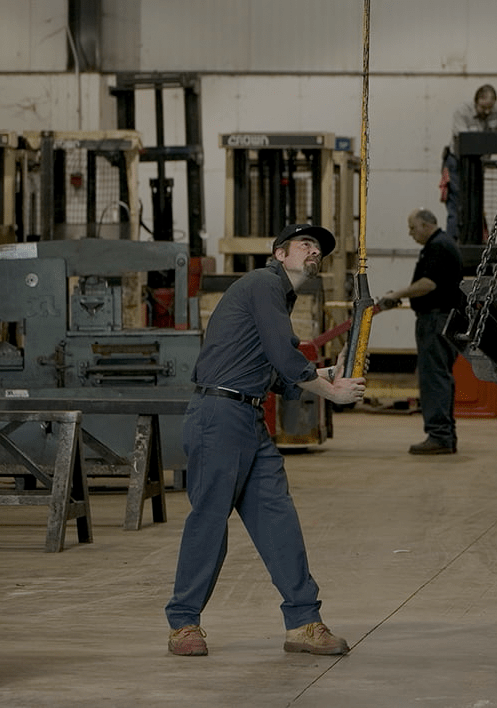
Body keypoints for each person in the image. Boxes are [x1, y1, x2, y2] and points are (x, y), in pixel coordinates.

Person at [166, 223, 366, 657]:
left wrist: (326, 374)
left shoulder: (278, 296)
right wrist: (331, 392)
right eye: (305, 245)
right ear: (279, 254)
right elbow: (284, 354)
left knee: (278, 519)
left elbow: (272, 369)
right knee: (209, 521)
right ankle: (183, 623)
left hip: (248, 417)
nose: (314, 252)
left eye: (319, 249)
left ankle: (303, 623)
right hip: (219, 416)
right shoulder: (263, 283)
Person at [380, 208, 466, 455]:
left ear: (427, 225)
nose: (410, 233)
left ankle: (439, 436)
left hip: (436, 320)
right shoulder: (439, 244)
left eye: (412, 228)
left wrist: (397, 294)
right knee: (439, 375)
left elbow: (428, 284)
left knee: (433, 377)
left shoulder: (438, 246)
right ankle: (444, 434)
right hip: (442, 319)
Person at [442, 84, 497, 240]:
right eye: (484, 107)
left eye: (490, 107)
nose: (487, 112)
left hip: (478, 164)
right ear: (476, 101)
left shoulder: (496, 111)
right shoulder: (462, 112)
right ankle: (454, 243)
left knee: (476, 205)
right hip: (457, 164)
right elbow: (465, 139)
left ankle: (476, 240)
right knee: (457, 205)